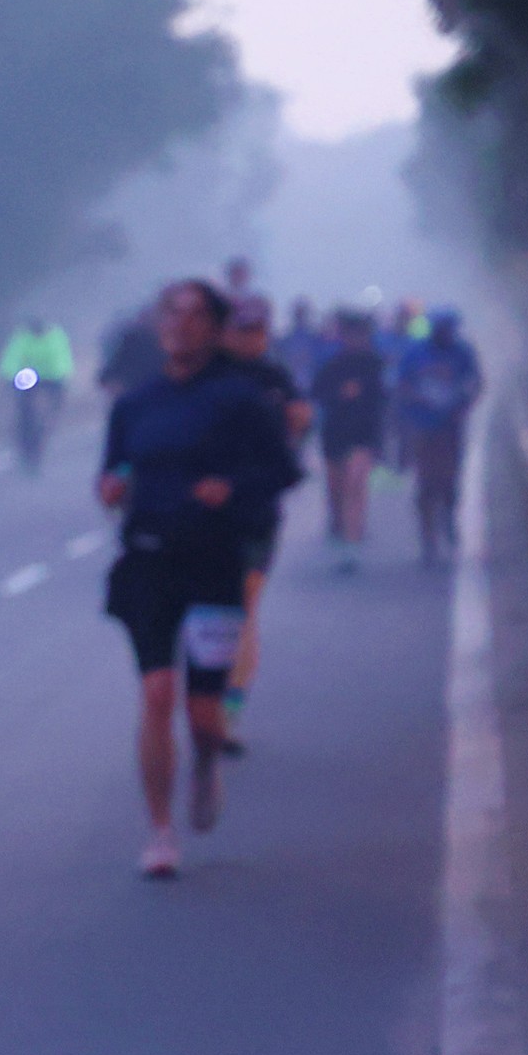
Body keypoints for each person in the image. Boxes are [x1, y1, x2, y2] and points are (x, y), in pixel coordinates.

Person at [97, 278, 299, 878]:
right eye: (172, 314)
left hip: (213, 562)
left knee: (204, 715)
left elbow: (283, 471)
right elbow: (115, 469)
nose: (180, 326)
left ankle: (206, 761)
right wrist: (112, 487)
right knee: (157, 694)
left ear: (214, 330)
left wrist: (231, 489)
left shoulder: (241, 401)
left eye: (194, 316)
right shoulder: (135, 404)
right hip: (148, 558)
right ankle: (160, 832)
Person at [213, 294, 310, 752]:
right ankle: (204, 699)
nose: (251, 339)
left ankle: (229, 709)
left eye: (258, 330)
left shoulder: (275, 380)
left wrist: (295, 429)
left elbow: (295, 439)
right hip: (200, 519)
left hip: (254, 513)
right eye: (242, 329)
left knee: (244, 608)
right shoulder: (202, 376)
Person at [395, 306, 484, 566]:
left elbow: (477, 382)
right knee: (425, 483)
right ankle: (428, 538)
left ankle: (449, 517)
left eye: (449, 329)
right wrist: (416, 400)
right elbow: (401, 385)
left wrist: (464, 406)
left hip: (451, 426)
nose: (445, 333)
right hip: (422, 426)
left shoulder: (463, 352)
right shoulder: (415, 353)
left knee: (450, 480)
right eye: (441, 329)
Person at [309, 309, 389, 569]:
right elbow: (316, 393)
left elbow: (384, 399)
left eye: (360, 335)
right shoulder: (332, 365)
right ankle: (339, 527)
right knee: (337, 489)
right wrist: (339, 395)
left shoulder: (376, 365)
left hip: (363, 434)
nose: (356, 340)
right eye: (351, 335)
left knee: (356, 484)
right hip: (335, 433)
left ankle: (352, 545)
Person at [0, 315, 75, 472]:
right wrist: (9, 376)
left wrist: (62, 377)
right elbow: (12, 358)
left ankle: (46, 428)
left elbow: (62, 359)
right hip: (28, 378)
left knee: (49, 411)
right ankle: (24, 439)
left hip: (51, 378)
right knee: (24, 411)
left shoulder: (55, 336)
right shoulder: (22, 337)